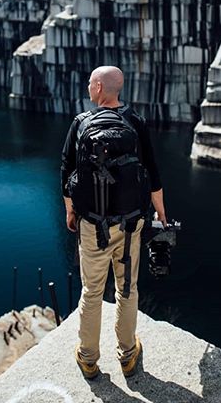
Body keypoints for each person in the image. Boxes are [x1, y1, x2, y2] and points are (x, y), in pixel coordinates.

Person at [60, 65, 167, 380]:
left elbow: (66, 173)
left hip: (93, 226)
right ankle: (128, 355)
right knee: (127, 289)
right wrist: (160, 212)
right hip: (131, 224)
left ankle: (89, 359)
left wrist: (70, 211)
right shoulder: (135, 121)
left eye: (90, 84)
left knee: (92, 292)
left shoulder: (81, 123)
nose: (89, 88)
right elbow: (153, 173)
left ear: (98, 88)